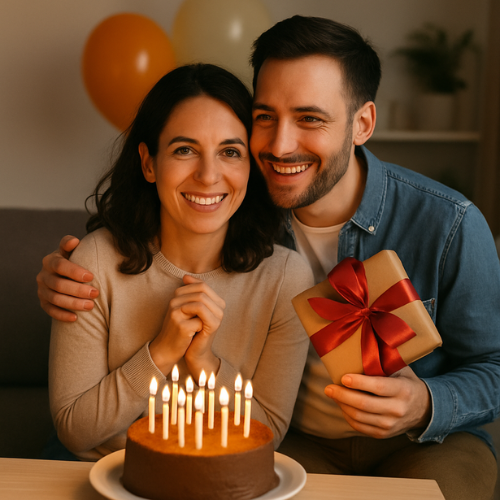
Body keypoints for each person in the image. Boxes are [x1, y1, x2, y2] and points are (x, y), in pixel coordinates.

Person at [37, 16, 500, 499]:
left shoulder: (448, 223)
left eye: (310, 119)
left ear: (362, 123)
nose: (280, 145)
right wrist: (64, 272)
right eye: (265, 117)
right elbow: (155, 231)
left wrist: (426, 403)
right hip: (299, 440)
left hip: (425, 440)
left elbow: (495, 364)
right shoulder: (241, 206)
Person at [46, 63, 312, 461]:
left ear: (251, 167)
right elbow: (73, 429)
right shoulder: (95, 259)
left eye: (230, 152)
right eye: (184, 150)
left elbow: (268, 435)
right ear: (149, 163)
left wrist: (204, 362)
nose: (208, 175)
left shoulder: (287, 278)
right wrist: (161, 352)